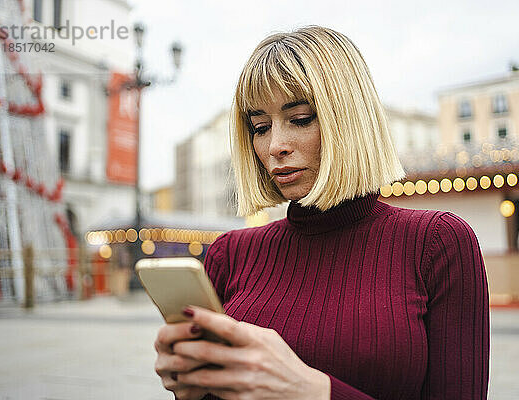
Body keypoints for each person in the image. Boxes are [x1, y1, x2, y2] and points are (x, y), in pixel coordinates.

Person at [154, 26, 489, 399]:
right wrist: (193, 385)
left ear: (349, 119)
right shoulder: (229, 254)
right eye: (260, 127)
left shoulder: (437, 242)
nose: (274, 146)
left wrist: (311, 391)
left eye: (300, 119)